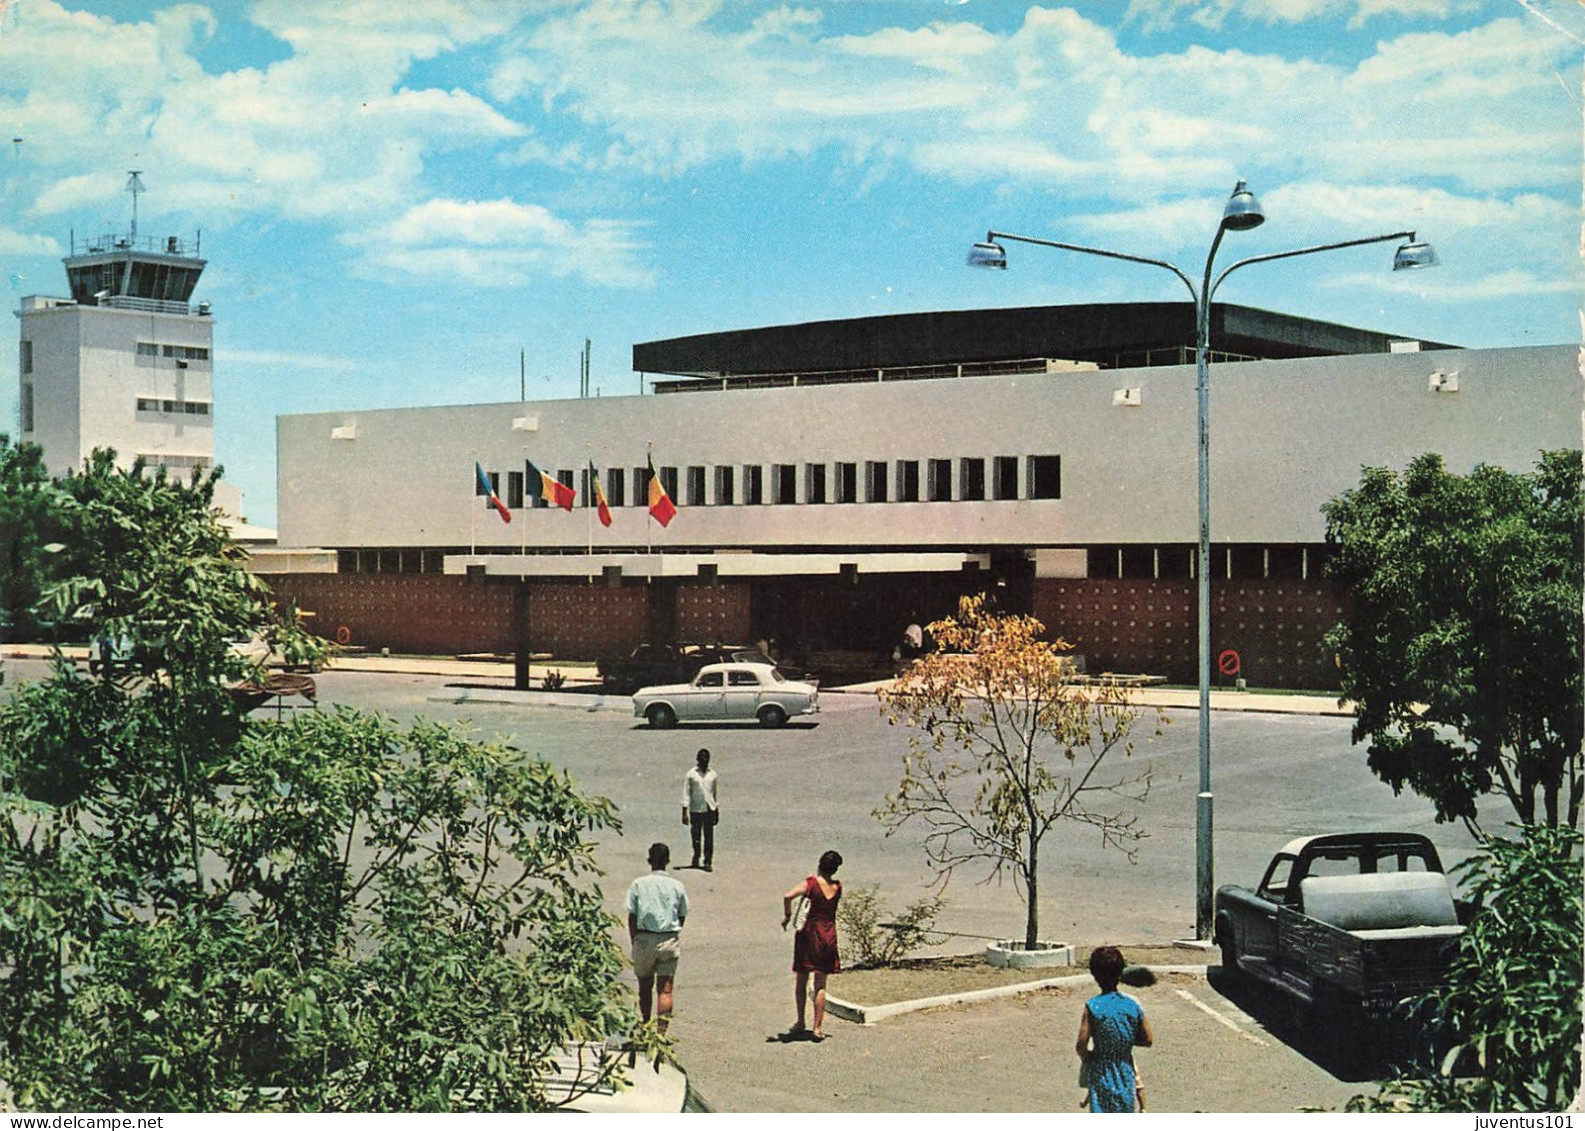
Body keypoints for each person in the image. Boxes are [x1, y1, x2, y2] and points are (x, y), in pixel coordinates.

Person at [1075, 945, 1154, 1112]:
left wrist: (1089, 1057)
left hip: (1101, 1072)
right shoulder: (1132, 1006)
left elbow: (1081, 1045)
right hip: (1125, 1070)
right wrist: (1125, 1040)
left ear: (1095, 976)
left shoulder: (1092, 1006)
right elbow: (1148, 1039)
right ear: (1120, 974)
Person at [626, 842, 689, 1035]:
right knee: (665, 990)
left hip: (644, 938)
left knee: (645, 987)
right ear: (668, 861)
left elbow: (632, 915)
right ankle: (661, 1034)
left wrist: (634, 938)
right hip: (668, 939)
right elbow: (682, 914)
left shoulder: (638, 884)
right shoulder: (677, 886)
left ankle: (645, 1026)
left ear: (649, 861)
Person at [781, 849, 843, 1041]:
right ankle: (817, 1027)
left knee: (801, 980)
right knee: (820, 984)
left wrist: (788, 916)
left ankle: (801, 1021)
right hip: (828, 934)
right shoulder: (837, 887)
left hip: (809, 934)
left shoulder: (811, 884)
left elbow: (787, 896)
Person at [682, 748, 719, 870]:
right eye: (702, 758)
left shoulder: (712, 774)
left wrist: (716, 809)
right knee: (696, 835)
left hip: (709, 808)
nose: (704, 761)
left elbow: (714, 793)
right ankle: (696, 855)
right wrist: (684, 811)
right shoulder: (691, 774)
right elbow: (686, 793)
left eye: (707, 758)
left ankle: (708, 861)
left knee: (709, 836)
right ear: (697, 759)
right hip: (695, 809)